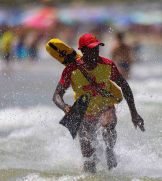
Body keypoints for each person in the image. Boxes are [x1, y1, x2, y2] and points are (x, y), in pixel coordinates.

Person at [52, 34, 145, 173]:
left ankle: (110, 153)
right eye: (91, 49)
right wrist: (64, 106)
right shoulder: (71, 70)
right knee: (88, 159)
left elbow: (125, 87)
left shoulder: (108, 65)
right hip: (83, 114)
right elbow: (56, 95)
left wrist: (134, 113)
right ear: (82, 50)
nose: (95, 51)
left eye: (97, 47)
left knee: (107, 125)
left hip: (105, 108)